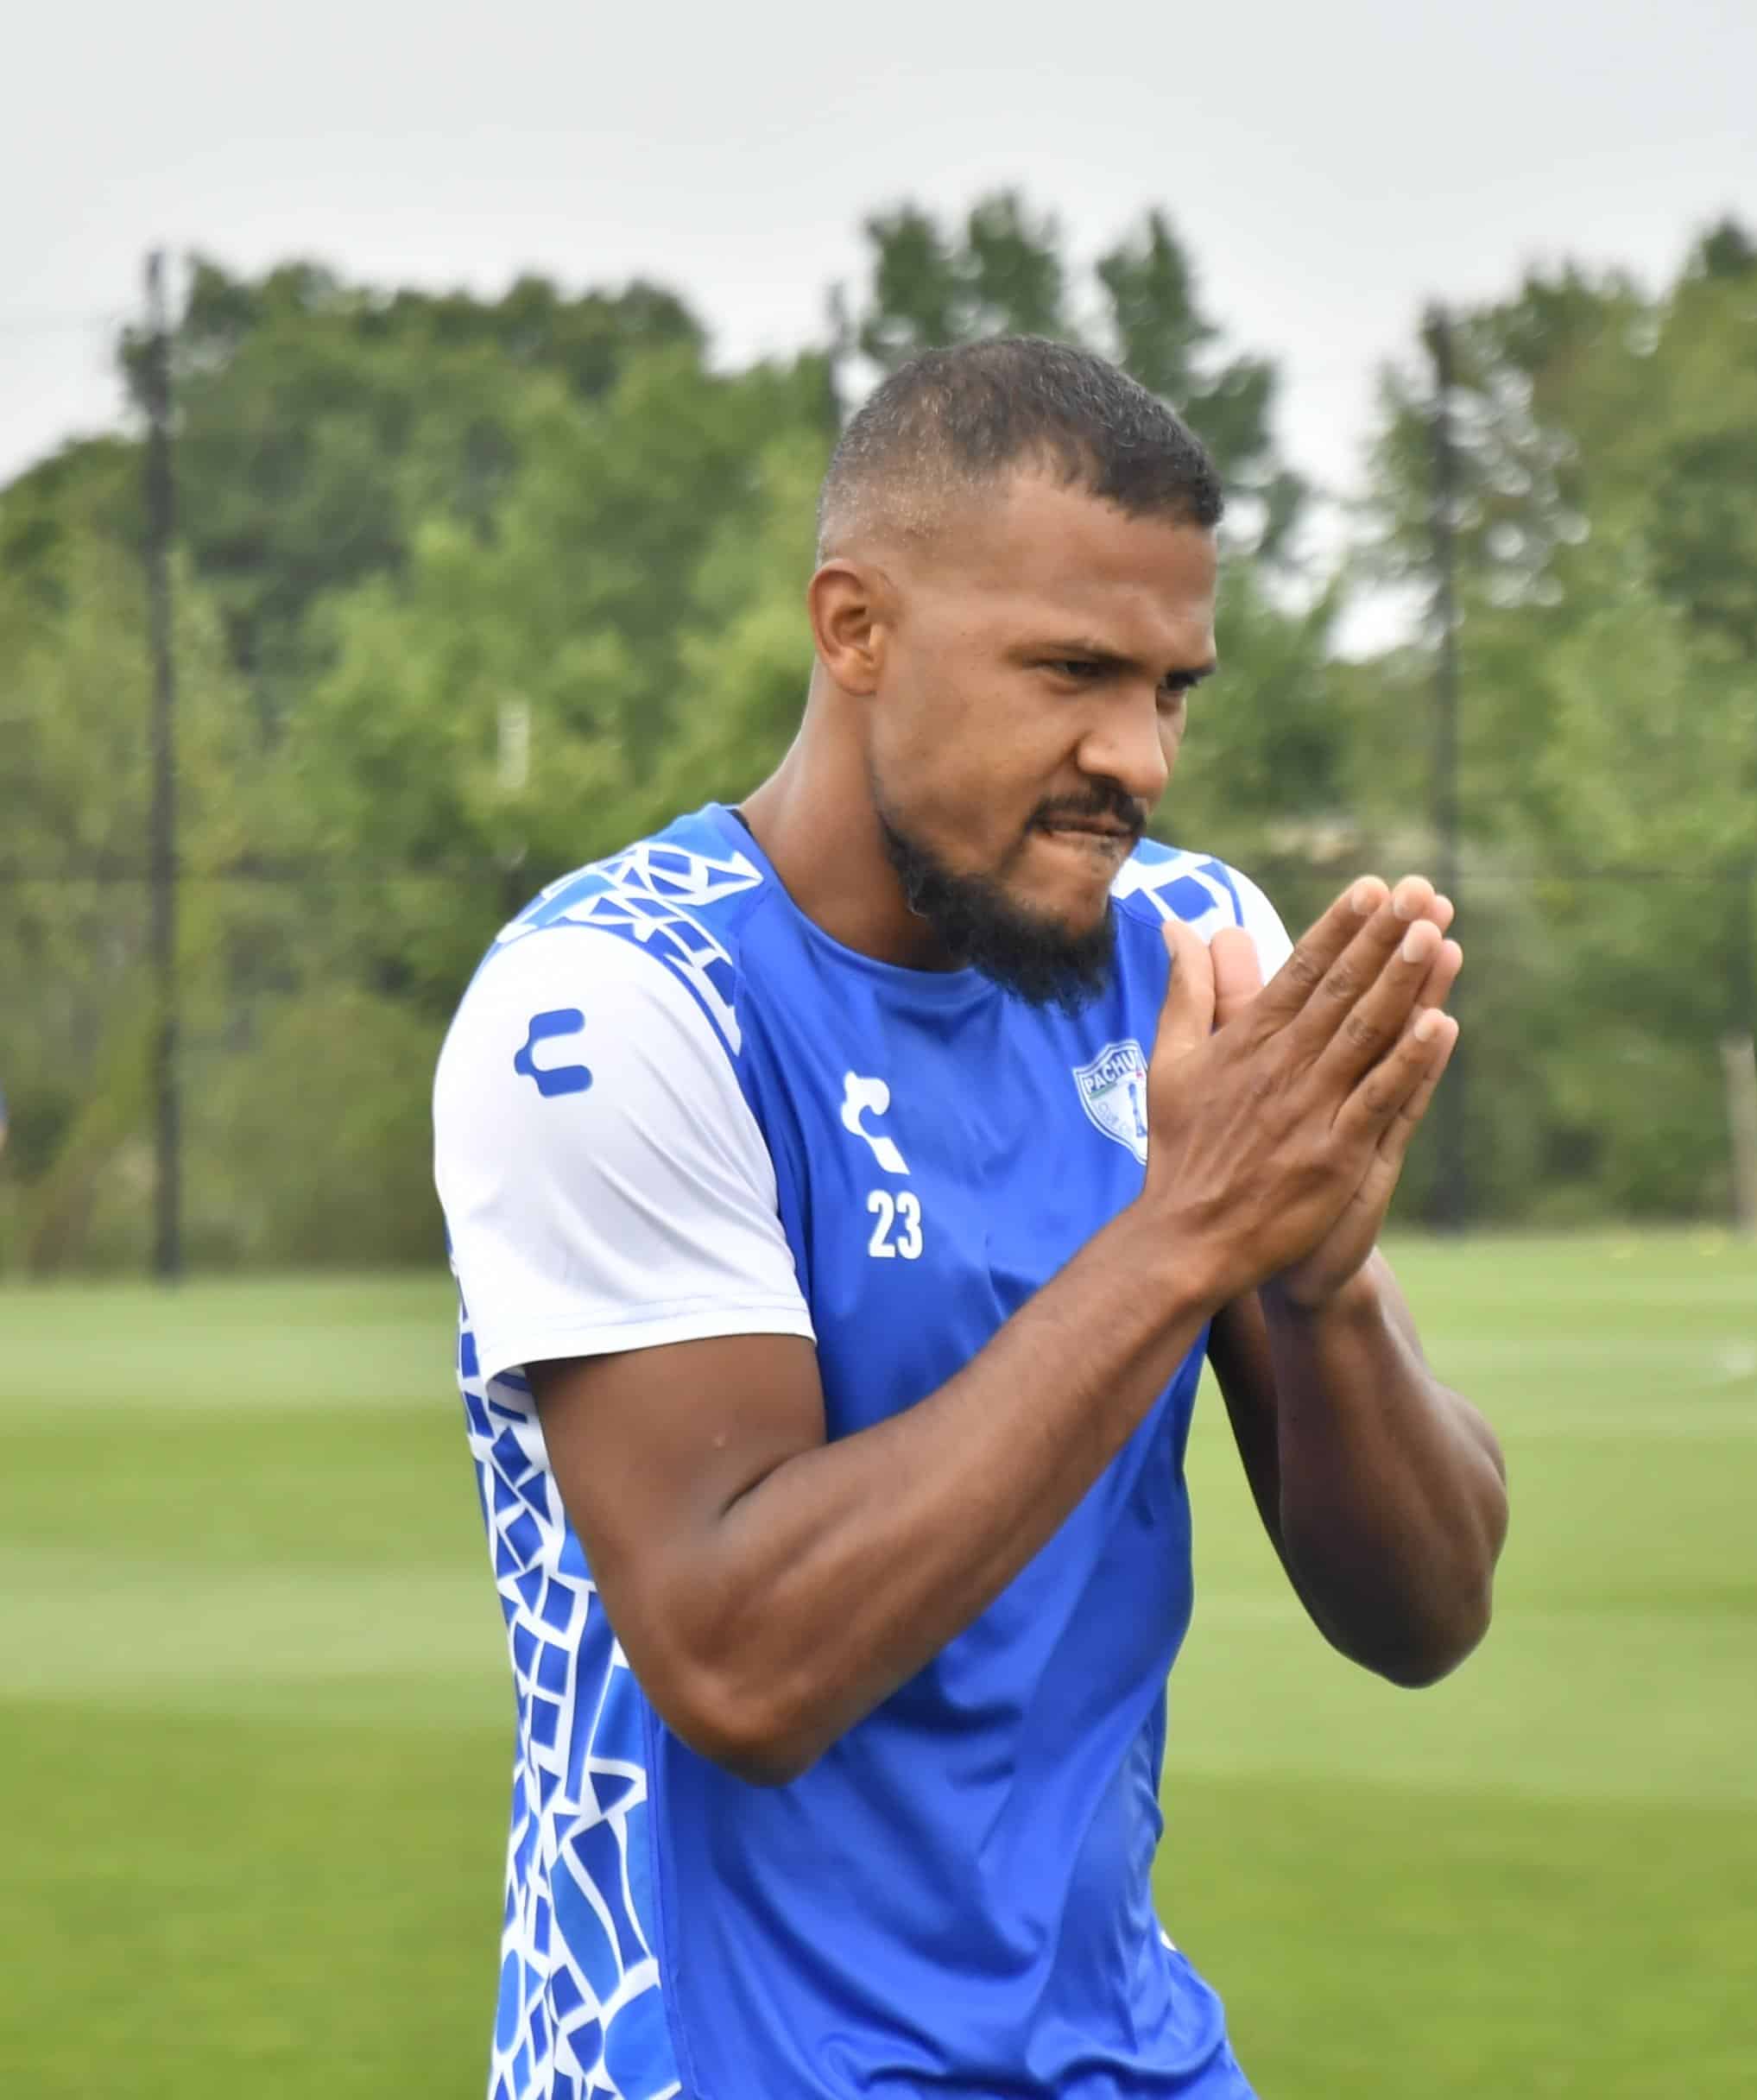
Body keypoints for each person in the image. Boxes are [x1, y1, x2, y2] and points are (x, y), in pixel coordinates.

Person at [433, 337, 1508, 2100]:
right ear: (854, 629)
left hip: (1126, 2054)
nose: (1136, 754)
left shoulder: (1187, 953)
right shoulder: (617, 1005)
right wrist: (1183, 1238)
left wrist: (1317, 1292)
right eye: (1072, 672)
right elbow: (739, 1659)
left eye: (1173, 688)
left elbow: (1426, 1613)